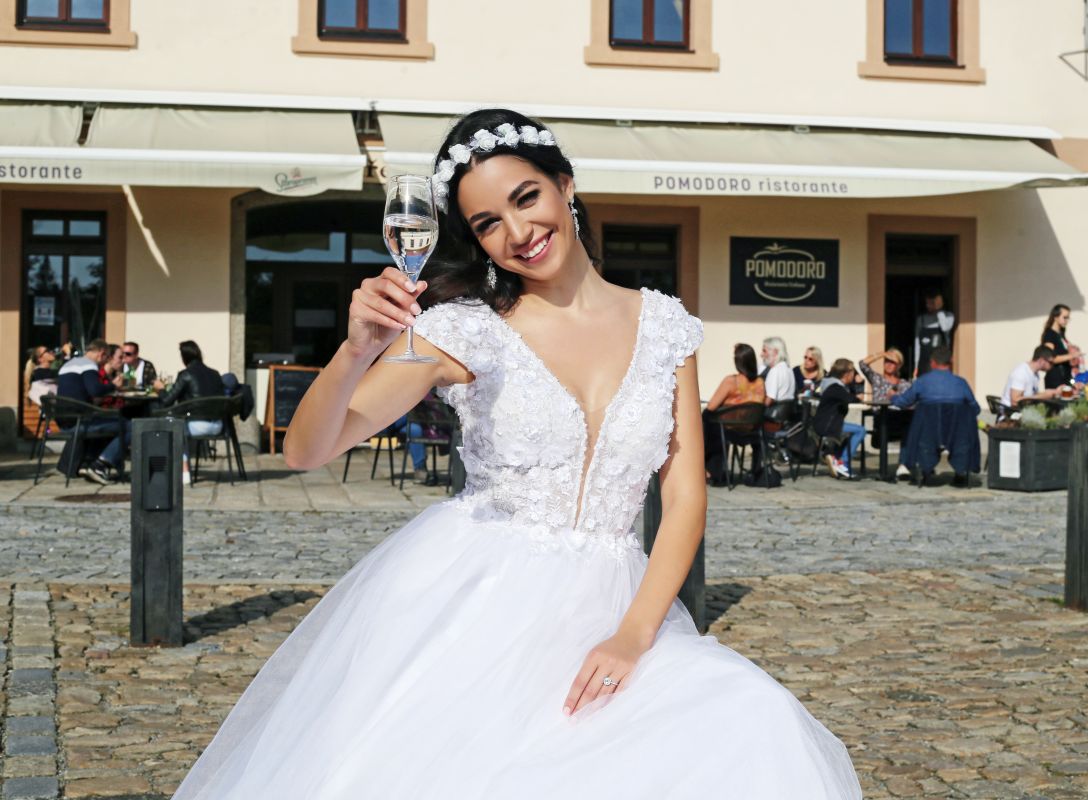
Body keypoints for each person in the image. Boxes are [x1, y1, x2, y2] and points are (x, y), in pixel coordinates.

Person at [170, 109, 860, 799]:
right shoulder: (465, 331)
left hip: (619, 604)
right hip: (482, 604)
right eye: (488, 223)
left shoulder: (667, 328)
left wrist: (633, 635)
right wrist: (356, 351)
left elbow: (683, 498)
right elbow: (306, 450)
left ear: (565, 185)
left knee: (752, 717)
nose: (519, 232)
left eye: (526, 198)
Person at [889, 345, 980, 487]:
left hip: (929, 433)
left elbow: (903, 402)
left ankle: (922, 468)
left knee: (913, 427)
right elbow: (975, 408)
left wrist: (893, 396)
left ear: (932, 363)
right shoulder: (961, 383)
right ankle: (961, 471)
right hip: (957, 434)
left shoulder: (922, 381)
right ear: (951, 362)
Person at [53, 339, 128, 484]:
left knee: (107, 422)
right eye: (107, 357)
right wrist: (113, 385)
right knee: (126, 425)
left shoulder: (68, 364)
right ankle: (99, 465)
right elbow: (95, 390)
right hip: (79, 421)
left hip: (64, 420)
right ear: (101, 353)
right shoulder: (88, 364)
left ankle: (86, 464)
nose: (105, 361)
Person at [703, 343, 766, 481]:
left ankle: (709, 469)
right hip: (751, 430)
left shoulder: (731, 381)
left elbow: (712, 406)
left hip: (729, 429)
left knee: (706, 418)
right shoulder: (760, 382)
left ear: (738, 362)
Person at [154, 340, 227, 436]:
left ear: (184, 358)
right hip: (217, 426)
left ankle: (176, 448)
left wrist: (160, 389)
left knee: (165, 419)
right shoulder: (215, 374)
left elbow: (167, 401)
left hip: (195, 425)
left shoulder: (186, 374)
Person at [811, 358, 863, 479]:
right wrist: (859, 395)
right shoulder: (836, 387)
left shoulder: (830, 383)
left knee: (851, 433)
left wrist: (856, 385)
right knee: (860, 430)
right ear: (846, 374)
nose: (854, 375)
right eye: (853, 372)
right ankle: (842, 463)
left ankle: (833, 455)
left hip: (825, 423)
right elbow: (850, 399)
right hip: (828, 425)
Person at [999, 345, 1064, 415]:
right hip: (1010, 415)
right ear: (1041, 360)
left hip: (1024, 413)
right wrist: (1043, 396)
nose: (1052, 366)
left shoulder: (1035, 374)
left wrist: (1054, 392)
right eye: (1051, 363)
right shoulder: (1021, 373)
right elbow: (1015, 401)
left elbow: (1031, 395)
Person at [913, 290, 954, 377]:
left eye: (932, 303)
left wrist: (939, 311)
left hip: (941, 363)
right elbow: (917, 343)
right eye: (927, 303)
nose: (928, 306)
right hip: (924, 363)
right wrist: (916, 365)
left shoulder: (948, 316)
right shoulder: (921, 319)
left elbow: (945, 327)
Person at [1040, 303, 1076, 390]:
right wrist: (1071, 356)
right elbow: (1050, 358)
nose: (1067, 320)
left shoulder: (1061, 333)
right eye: (1065, 317)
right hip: (1056, 379)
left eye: (1068, 318)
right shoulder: (1049, 335)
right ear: (1055, 317)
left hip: (1066, 377)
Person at [759, 336, 795, 404]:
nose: (761, 355)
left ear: (775, 352)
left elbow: (769, 399)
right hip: (787, 410)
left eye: (764, 351)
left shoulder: (775, 371)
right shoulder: (789, 369)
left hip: (774, 410)